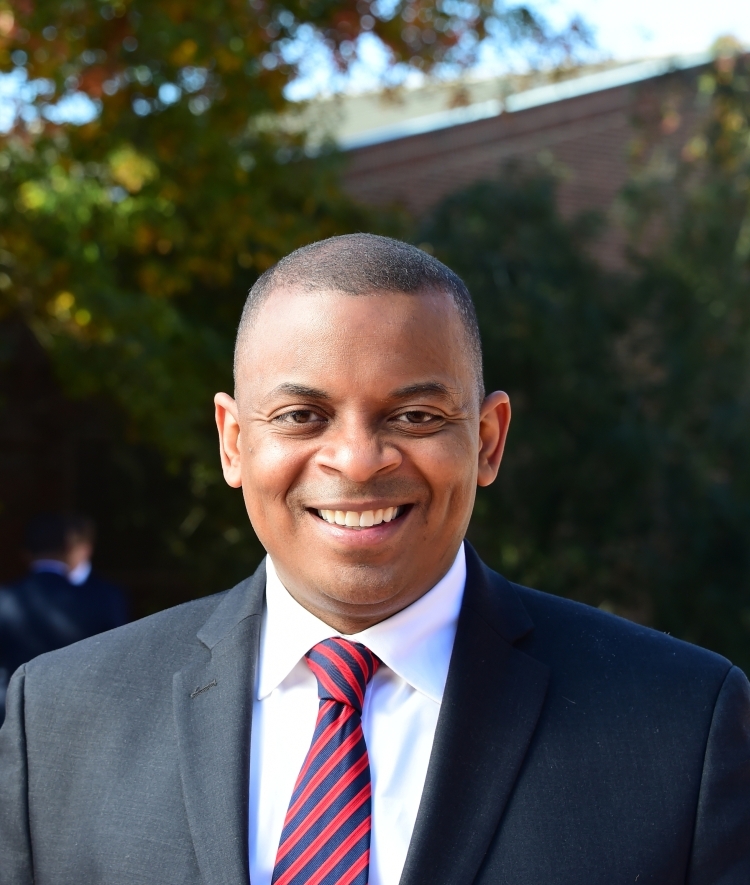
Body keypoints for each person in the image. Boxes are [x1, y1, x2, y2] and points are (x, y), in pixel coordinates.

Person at [0, 234, 748, 884]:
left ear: (487, 439)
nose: (357, 461)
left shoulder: (684, 727)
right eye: (302, 415)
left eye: (415, 415)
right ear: (233, 441)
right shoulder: (61, 721)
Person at [0, 512, 129, 722]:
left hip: (14, 715)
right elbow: (119, 662)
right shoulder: (104, 598)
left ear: (25, 553)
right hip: (81, 717)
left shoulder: (5, 600)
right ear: (69, 548)